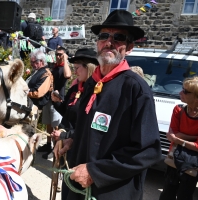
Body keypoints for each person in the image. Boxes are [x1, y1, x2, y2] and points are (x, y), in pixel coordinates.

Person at [58, 10, 162, 200]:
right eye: (104, 36)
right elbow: (90, 129)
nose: (109, 42)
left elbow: (147, 150)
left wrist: (95, 172)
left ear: (129, 47)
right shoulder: (91, 83)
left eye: (119, 38)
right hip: (76, 187)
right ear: (97, 42)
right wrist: (72, 140)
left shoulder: (136, 89)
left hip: (109, 192)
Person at [51, 48, 98, 199]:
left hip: (80, 147)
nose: (75, 71)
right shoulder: (75, 89)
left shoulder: (96, 92)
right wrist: (57, 102)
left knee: (77, 190)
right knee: (67, 186)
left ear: (88, 67)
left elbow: (87, 126)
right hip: (67, 144)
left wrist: (66, 134)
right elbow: (68, 112)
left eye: (77, 68)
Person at [159, 76, 198, 200]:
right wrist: (194, 138)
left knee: (185, 195)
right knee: (167, 193)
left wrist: (179, 139)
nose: (180, 93)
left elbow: (176, 137)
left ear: (196, 97)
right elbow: (172, 135)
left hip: (193, 163)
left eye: (185, 91)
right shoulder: (179, 109)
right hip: (174, 158)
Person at [39, 46, 71, 159]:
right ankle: (48, 145)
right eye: (57, 54)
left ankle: (55, 148)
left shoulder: (64, 67)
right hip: (49, 99)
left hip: (58, 101)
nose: (58, 56)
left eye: (60, 54)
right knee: (48, 124)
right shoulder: (55, 67)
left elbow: (68, 75)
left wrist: (65, 59)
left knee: (56, 126)